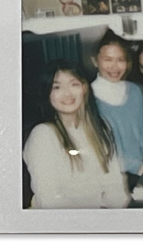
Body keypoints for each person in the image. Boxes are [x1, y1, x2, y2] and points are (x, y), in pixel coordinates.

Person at [23, 59, 130, 209]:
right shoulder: (43, 135)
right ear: (47, 94)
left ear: (85, 88)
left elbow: (114, 186)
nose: (67, 93)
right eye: (57, 87)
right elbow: (49, 201)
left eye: (74, 84)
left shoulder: (101, 128)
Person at [90, 30, 143, 193]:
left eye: (121, 60)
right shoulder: (87, 97)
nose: (115, 67)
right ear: (95, 61)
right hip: (107, 180)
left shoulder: (136, 91)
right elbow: (94, 151)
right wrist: (137, 167)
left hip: (139, 175)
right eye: (108, 60)